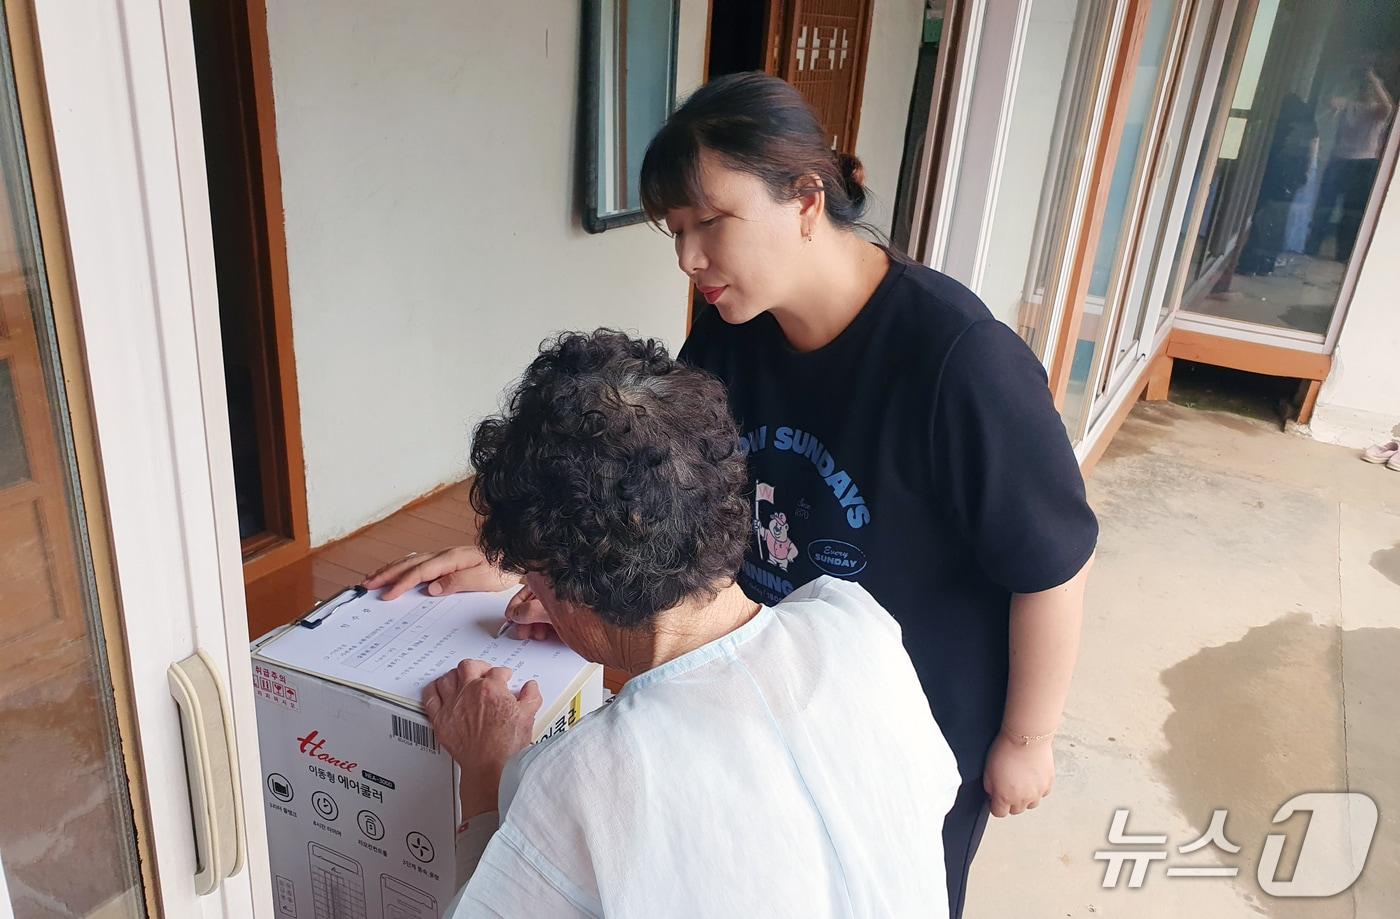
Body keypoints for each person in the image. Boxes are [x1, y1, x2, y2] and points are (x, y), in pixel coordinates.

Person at [368, 73, 1098, 917]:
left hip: (897, 705)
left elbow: (1052, 563)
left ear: (804, 198)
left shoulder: (960, 363)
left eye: (709, 222)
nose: (688, 258)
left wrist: (1026, 738)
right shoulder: (733, 327)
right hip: (756, 669)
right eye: (674, 231)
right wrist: (528, 557)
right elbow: (649, 483)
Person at [413, 330, 961, 917]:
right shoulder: (855, 628)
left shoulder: (580, 784)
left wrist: (488, 774)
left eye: (532, 574)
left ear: (564, 581)